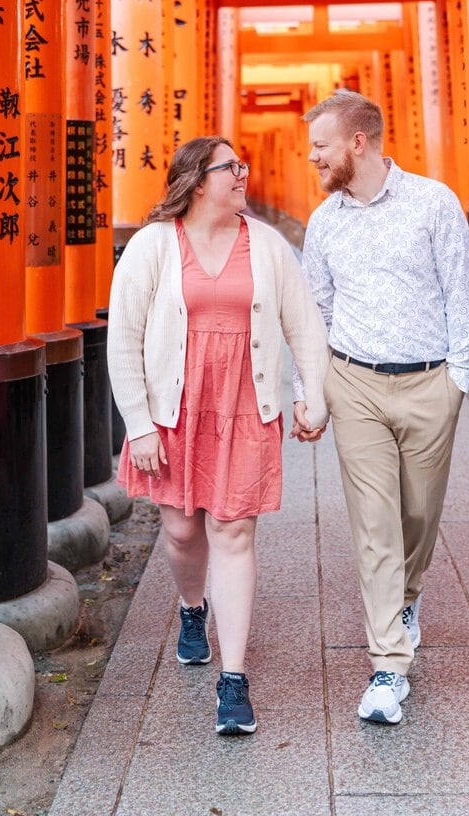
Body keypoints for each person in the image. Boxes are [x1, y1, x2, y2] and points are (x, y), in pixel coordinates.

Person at [107, 135, 329, 736]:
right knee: (181, 530)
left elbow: (303, 322)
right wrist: (140, 424)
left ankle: (233, 680)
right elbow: (123, 338)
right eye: (231, 167)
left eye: (244, 165)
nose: (243, 175)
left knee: (232, 531)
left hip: (244, 406)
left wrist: (314, 393)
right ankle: (190, 608)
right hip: (175, 413)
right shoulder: (154, 245)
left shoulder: (267, 245)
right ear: (197, 180)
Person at [300, 90, 469, 725]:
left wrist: (458, 380)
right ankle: (386, 667)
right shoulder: (324, 222)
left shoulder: (434, 203)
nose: (312, 158)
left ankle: (407, 598)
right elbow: (316, 312)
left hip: (431, 383)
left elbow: (462, 290)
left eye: (320, 146)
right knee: (374, 526)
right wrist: (313, 390)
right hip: (356, 386)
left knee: (418, 514)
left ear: (358, 142)